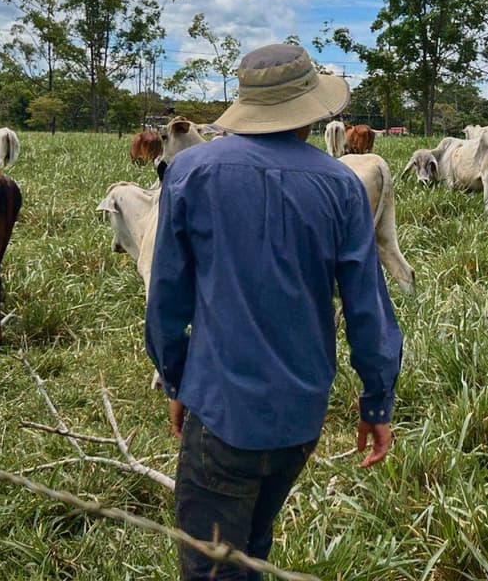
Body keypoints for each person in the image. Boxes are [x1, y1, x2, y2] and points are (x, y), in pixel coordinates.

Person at [145, 43, 404, 580]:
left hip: (220, 411)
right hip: (299, 420)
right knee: (253, 547)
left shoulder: (190, 172)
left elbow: (166, 296)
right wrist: (377, 402)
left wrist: (176, 380)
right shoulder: (341, 186)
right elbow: (367, 307)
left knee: (212, 566)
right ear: (310, 111)